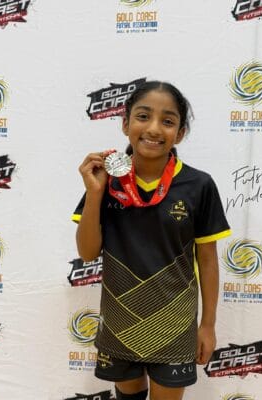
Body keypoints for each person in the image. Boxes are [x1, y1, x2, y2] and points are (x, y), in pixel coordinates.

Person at [72, 81, 231, 400]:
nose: (154, 128)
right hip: (120, 319)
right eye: (143, 116)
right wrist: (95, 193)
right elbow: (88, 253)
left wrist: (208, 325)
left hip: (174, 323)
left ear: (180, 133)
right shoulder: (105, 180)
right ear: (125, 123)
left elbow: (208, 261)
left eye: (167, 121)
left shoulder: (199, 185)